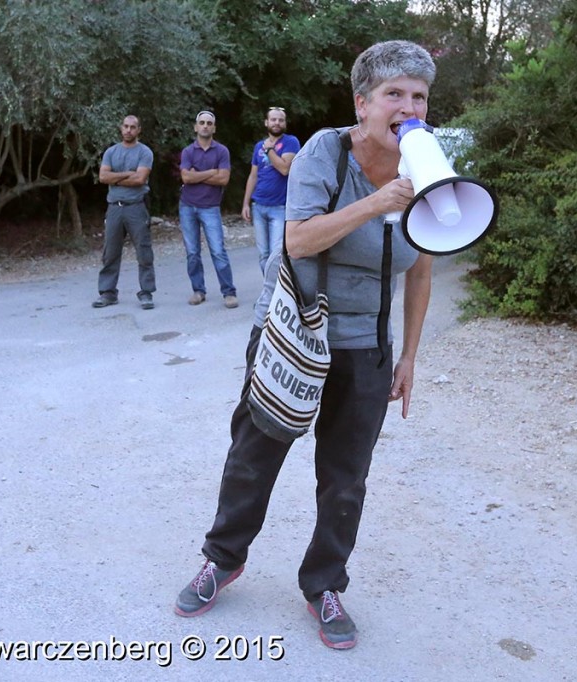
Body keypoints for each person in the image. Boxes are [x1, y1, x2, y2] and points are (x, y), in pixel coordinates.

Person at [173, 41, 436, 650]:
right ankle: (223, 559)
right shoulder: (324, 150)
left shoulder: (426, 163)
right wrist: (379, 201)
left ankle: (324, 585)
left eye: (419, 96)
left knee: (346, 477)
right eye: (394, 93)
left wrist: (409, 356)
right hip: (293, 330)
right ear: (362, 103)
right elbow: (297, 239)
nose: (408, 106)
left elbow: (421, 267)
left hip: (365, 344)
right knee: (254, 455)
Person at [93, 115, 156, 309]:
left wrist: (116, 178)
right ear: (121, 128)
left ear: (139, 130)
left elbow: (140, 180)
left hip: (136, 207)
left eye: (133, 127)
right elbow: (103, 176)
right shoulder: (111, 152)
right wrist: (128, 173)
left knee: (143, 252)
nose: (128, 130)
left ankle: (146, 293)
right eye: (126, 126)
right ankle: (108, 293)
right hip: (114, 208)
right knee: (110, 252)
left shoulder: (145, 152)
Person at [179, 111, 238, 309]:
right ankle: (198, 291)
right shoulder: (188, 151)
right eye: (202, 123)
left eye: (209, 123)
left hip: (210, 207)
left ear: (214, 128)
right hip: (187, 206)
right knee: (192, 252)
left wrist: (199, 175)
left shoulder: (222, 151)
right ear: (196, 127)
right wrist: (212, 172)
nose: (205, 126)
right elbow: (186, 178)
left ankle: (229, 292)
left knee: (218, 251)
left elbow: (223, 179)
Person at [241, 107, 301, 274]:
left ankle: (277, 296)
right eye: (273, 120)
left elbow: (284, 169)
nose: (277, 123)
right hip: (258, 205)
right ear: (266, 123)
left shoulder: (291, 142)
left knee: (276, 255)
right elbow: (253, 176)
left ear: (285, 124)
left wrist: (269, 150)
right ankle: (270, 293)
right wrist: (246, 203)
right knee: (263, 255)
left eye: (280, 120)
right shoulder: (258, 146)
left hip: (279, 208)